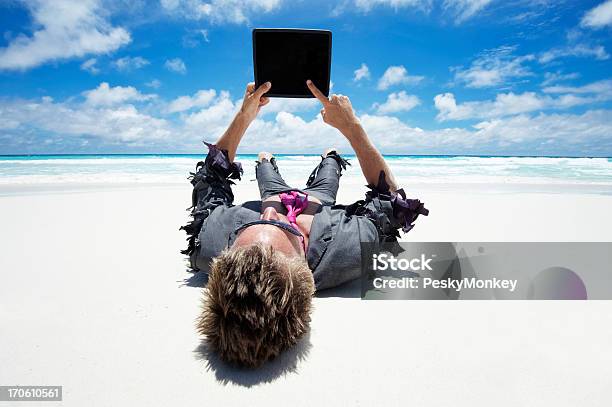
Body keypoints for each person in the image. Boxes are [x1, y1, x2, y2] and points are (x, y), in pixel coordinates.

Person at [181, 79, 428, 367]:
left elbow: (211, 177)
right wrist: (351, 127)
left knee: (263, 163)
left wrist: (244, 116)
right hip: (319, 199)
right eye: (286, 228)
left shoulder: (209, 242)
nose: (271, 215)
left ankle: (267, 162)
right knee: (332, 159)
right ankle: (328, 157)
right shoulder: (350, 249)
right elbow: (392, 199)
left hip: (271, 194)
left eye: (247, 228)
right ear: (304, 266)